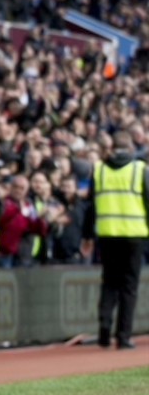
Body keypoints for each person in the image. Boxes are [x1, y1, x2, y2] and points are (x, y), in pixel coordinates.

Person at [82, 130, 147, 350]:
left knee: (109, 284)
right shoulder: (140, 170)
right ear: (130, 147)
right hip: (134, 235)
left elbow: (90, 206)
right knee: (129, 287)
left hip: (107, 234)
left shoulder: (99, 170)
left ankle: (103, 333)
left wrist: (87, 236)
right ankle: (123, 336)